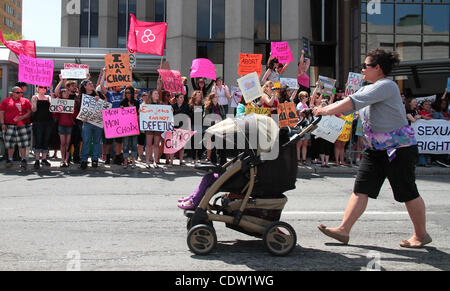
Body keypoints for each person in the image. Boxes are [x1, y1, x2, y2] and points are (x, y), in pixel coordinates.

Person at [313, 48, 431, 248]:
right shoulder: (371, 88)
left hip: (398, 150)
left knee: (407, 192)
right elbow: (354, 110)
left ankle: (421, 235)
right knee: (361, 188)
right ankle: (343, 230)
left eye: (366, 66)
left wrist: (324, 110)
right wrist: (335, 113)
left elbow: (350, 102)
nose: (363, 70)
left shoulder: (386, 86)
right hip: (375, 149)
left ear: (377, 68)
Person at [0, 86, 32, 169]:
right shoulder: (6, 101)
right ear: (12, 93)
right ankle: (10, 159)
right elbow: (2, 113)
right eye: (18, 92)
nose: (20, 94)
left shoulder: (25, 101)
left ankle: (23, 159)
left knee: (23, 143)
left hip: (23, 125)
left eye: (21, 92)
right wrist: (2, 123)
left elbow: (29, 112)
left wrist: (23, 117)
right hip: (9, 125)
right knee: (10, 144)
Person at [79, 80, 103, 170]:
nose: (92, 85)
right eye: (89, 84)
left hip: (97, 122)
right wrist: (82, 118)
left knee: (97, 141)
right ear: (85, 86)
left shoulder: (98, 94)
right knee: (86, 141)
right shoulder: (81, 96)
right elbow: (78, 108)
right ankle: (84, 160)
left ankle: (95, 159)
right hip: (87, 122)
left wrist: (99, 100)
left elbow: (105, 105)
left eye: (92, 83)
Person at [54, 88, 78, 168]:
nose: (67, 94)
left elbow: (75, 114)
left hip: (70, 125)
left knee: (68, 144)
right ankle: (62, 160)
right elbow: (55, 114)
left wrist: (72, 112)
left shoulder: (72, 103)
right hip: (61, 125)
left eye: (67, 93)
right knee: (62, 143)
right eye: (65, 93)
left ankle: (67, 160)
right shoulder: (58, 102)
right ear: (61, 94)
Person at [31, 86, 54, 169]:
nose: (43, 89)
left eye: (45, 88)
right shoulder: (35, 97)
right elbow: (33, 109)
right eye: (41, 87)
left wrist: (51, 91)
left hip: (48, 121)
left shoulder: (48, 97)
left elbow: (53, 106)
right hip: (38, 121)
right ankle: (37, 160)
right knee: (38, 139)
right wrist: (34, 103)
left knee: (46, 139)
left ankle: (44, 159)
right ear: (38, 88)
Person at [203, 93, 227, 165]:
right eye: (215, 97)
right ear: (212, 98)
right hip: (212, 128)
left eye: (217, 97)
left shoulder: (220, 107)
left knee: (222, 144)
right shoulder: (208, 108)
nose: (217, 98)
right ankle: (214, 161)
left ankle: (223, 161)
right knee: (213, 144)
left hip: (220, 128)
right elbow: (205, 118)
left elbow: (224, 116)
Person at [120, 86, 140, 169]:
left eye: (129, 92)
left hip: (134, 126)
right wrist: (121, 109)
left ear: (132, 93)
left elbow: (138, 115)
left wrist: (132, 108)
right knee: (125, 144)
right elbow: (119, 115)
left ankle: (133, 160)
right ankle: (125, 160)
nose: (127, 94)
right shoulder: (123, 102)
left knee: (134, 144)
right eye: (126, 92)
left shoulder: (136, 102)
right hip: (125, 126)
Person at [170, 94, 191, 166]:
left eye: (183, 97)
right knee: (173, 144)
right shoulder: (172, 106)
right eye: (180, 97)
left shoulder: (186, 106)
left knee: (182, 145)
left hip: (184, 127)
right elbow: (169, 117)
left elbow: (188, 117)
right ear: (176, 98)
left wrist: (189, 128)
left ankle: (181, 161)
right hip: (174, 127)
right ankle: (171, 161)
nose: (182, 99)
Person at [143, 90, 163, 169]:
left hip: (158, 126)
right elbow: (143, 113)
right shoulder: (147, 105)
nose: (157, 94)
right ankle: (147, 161)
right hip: (149, 126)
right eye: (155, 93)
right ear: (151, 95)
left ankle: (155, 161)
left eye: (157, 93)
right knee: (148, 144)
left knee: (156, 145)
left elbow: (165, 114)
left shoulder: (161, 104)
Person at [188, 90, 204, 164]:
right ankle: (193, 158)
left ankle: (199, 158)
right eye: (197, 95)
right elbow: (189, 116)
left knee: (199, 142)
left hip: (200, 125)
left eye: (200, 95)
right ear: (194, 96)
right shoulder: (191, 105)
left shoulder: (203, 105)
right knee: (193, 143)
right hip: (193, 125)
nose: (198, 97)